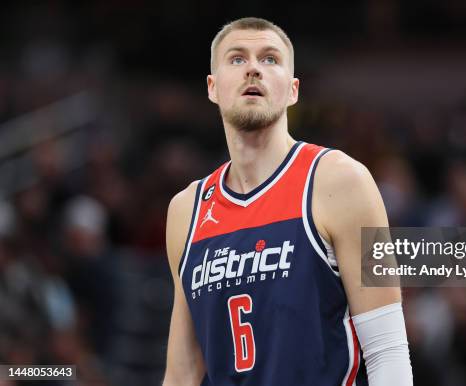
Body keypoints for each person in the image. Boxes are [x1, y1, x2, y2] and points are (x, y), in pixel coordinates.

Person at [162, 17, 413, 386]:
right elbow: (182, 372)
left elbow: (387, 350)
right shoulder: (186, 209)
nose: (252, 69)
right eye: (236, 59)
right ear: (213, 88)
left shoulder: (341, 181)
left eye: (269, 59)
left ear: (293, 89)